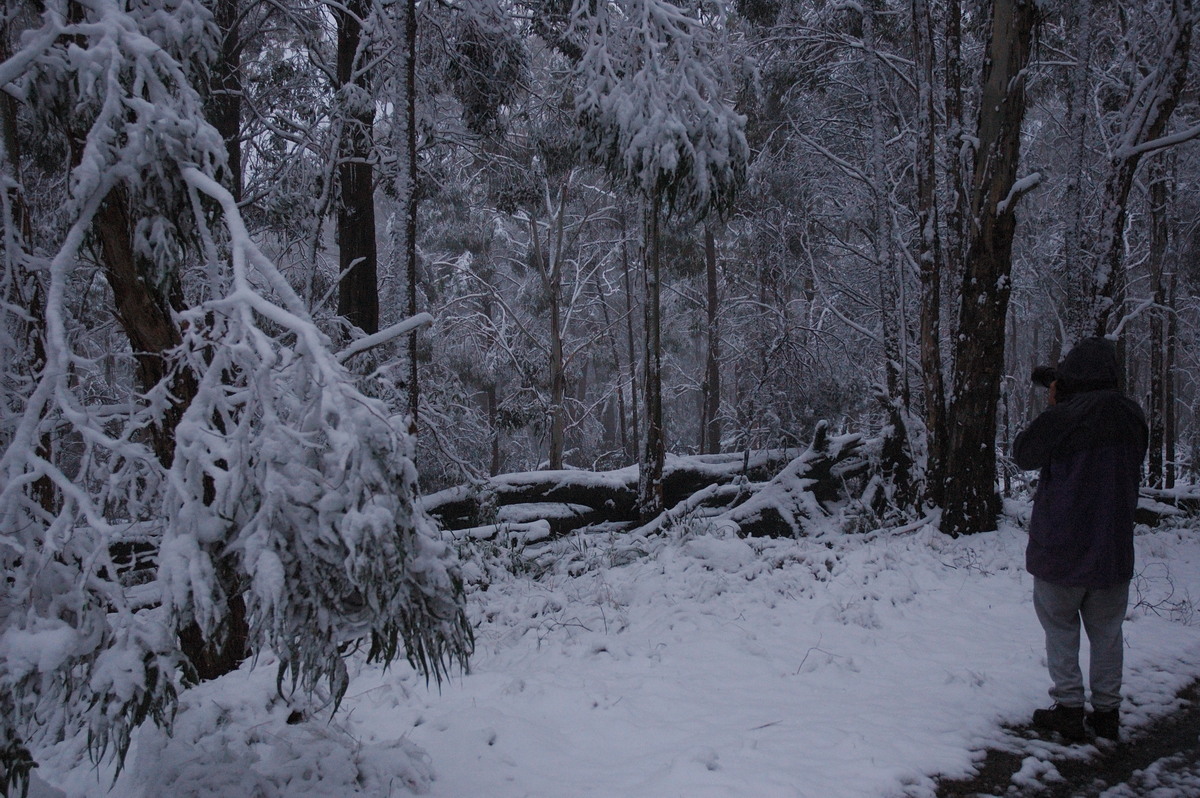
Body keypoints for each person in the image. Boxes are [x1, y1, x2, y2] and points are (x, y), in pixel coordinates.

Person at [1013, 336, 1148, 743]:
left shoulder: (1065, 417)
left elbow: (1023, 452)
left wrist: (1056, 407)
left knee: (1060, 628)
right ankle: (1107, 713)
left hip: (1062, 547)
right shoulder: (1132, 416)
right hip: (1112, 547)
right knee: (1107, 632)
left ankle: (1069, 707)